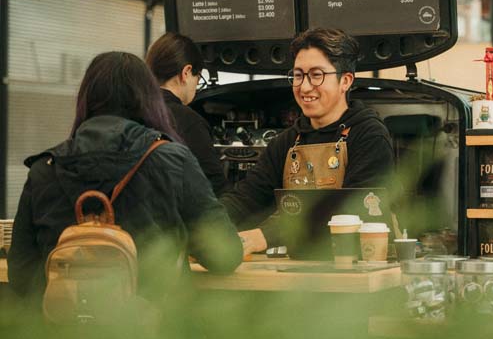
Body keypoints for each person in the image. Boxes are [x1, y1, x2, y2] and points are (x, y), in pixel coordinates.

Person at [8, 52, 242, 301]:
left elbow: (21, 274)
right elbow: (224, 255)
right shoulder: (172, 160)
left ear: (85, 99)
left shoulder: (45, 168)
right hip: (159, 330)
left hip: (65, 331)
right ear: (149, 99)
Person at [219, 28, 395, 255]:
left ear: (345, 81)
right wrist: (206, 226)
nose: (304, 87)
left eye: (316, 75)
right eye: (299, 75)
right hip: (299, 279)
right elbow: (246, 198)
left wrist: (262, 236)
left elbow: (351, 210)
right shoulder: (287, 142)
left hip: (356, 274)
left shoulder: (369, 136)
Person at [146, 32, 230, 194]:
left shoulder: (131, 110)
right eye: (198, 79)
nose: (196, 87)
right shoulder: (189, 122)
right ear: (186, 72)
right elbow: (215, 188)